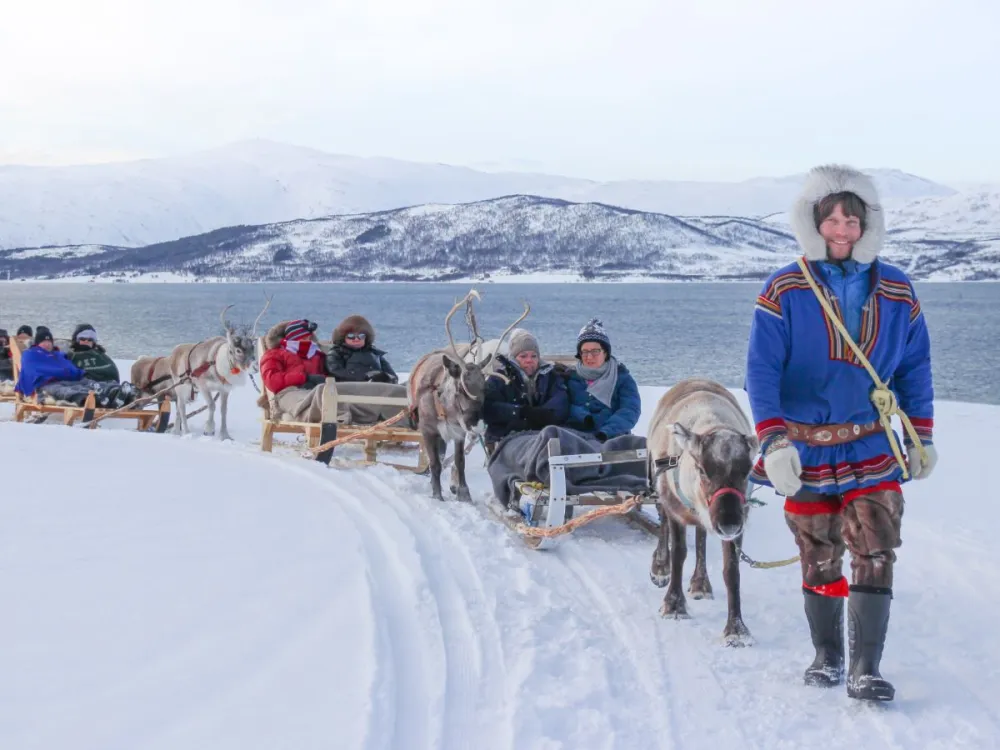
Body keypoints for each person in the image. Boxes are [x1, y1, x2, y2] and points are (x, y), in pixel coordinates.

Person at [745, 165, 935, 703]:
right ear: (815, 223)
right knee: (818, 552)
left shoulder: (898, 289)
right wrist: (774, 441)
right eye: (832, 218)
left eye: (852, 218)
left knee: (875, 546)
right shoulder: (783, 288)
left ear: (867, 224)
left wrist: (921, 434)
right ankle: (827, 654)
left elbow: (915, 367)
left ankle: (865, 667)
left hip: (870, 443)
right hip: (803, 447)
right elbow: (761, 371)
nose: (843, 227)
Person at [482, 329, 569, 446]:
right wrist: (520, 412)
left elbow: (561, 402)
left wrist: (544, 415)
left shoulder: (551, 376)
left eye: (534, 356)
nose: (529, 360)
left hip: (543, 437)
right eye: (523, 356)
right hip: (505, 438)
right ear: (513, 358)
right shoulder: (499, 378)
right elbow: (488, 409)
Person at [15, 326, 137, 408]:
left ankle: (116, 391)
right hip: (46, 383)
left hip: (69, 379)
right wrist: (62, 373)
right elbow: (31, 370)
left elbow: (70, 368)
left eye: (49, 341)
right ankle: (91, 399)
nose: (47, 344)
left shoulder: (58, 355)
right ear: (38, 343)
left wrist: (76, 373)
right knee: (65, 391)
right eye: (43, 342)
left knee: (89, 383)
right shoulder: (31, 354)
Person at [564, 318, 641, 441]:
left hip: (612, 438)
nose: (589, 357)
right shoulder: (569, 377)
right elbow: (563, 405)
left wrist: (606, 432)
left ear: (605, 352)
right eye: (584, 352)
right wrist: (584, 417)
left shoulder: (622, 378)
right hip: (574, 437)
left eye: (595, 351)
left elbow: (630, 411)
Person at [324, 315, 410, 425]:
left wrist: (384, 377)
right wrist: (365, 376)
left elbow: (392, 375)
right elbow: (335, 370)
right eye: (351, 336)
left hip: (378, 391)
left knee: (410, 387)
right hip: (351, 391)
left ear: (366, 337)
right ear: (343, 337)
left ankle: (406, 421)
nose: (356, 339)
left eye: (361, 336)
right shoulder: (336, 353)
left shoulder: (375, 355)